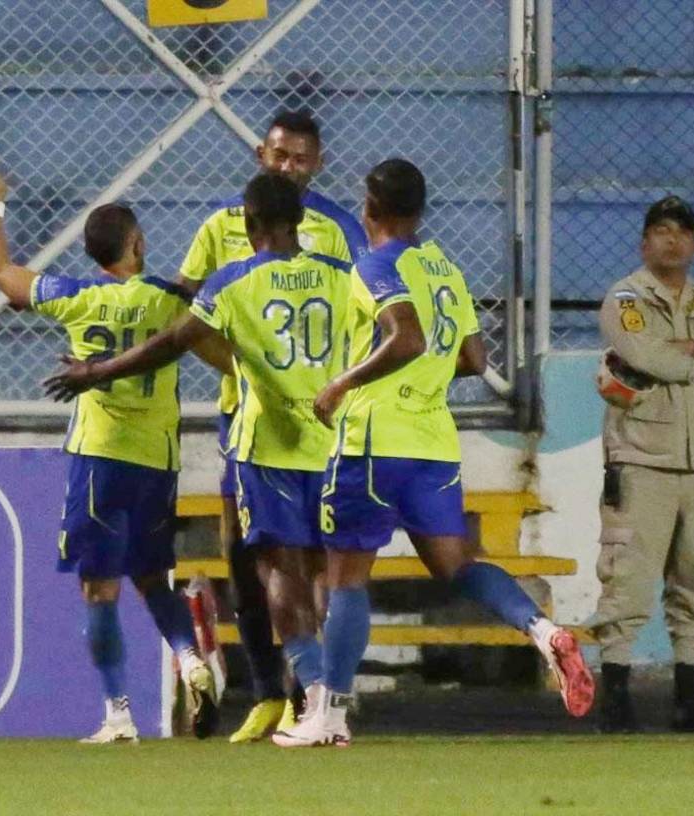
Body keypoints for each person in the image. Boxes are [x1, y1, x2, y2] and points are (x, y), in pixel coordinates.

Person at [273, 158, 594, 748]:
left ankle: (331, 715)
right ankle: (544, 630)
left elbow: (407, 335)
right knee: (458, 565)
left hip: (373, 441)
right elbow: (473, 359)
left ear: (369, 208)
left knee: (345, 580)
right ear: (420, 210)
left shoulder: (373, 264)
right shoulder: (444, 267)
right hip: (433, 445)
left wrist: (342, 383)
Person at [45, 172, 352, 737]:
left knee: (276, 571)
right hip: (333, 443)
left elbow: (173, 341)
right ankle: (327, 707)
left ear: (250, 224)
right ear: (303, 222)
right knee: (326, 574)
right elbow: (385, 334)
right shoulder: (343, 277)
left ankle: (308, 698)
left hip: (267, 444)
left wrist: (96, 370)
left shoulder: (233, 280)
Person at [0, 157, 223, 743]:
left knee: (98, 589)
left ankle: (118, 715)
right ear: (136, 243)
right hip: (157, 461)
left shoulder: (76, 297)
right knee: (154, 578)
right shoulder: (168, 300)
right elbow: (213, 339)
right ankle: (189, 657)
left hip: (99, 459)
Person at [176, 110, 368, 742]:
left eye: (300, 158)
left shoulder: (337, 232)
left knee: (307, 558)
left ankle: (308, 694)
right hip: (247, 413)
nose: (288, 165)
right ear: (262, 152)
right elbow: (186, 308)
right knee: (244, 548)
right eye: (279, 154)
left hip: (317, 418)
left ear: (318, 164)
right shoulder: (222, 224)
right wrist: (240, 364)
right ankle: (269, 690)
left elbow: (366, 314)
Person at [590, 195, 694, 733]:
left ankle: (692, 697)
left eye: (682, 232)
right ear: (644, 242)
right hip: (641, 458)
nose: (672, 240)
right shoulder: (627, 296)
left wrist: (687, 347)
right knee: (629, 580)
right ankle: (614, 692)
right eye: (661, 231)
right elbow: (643, 355)